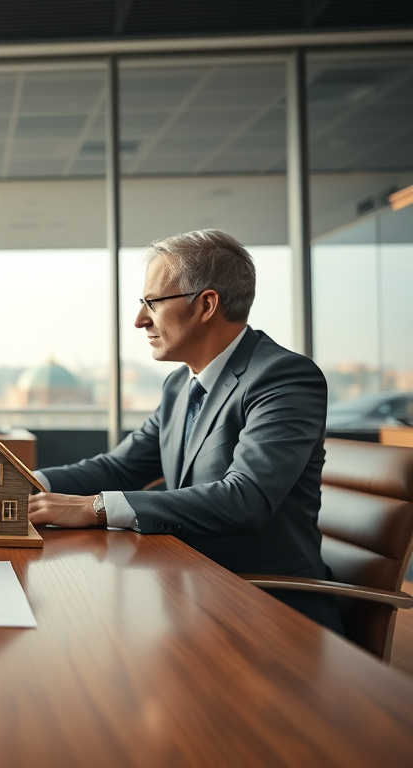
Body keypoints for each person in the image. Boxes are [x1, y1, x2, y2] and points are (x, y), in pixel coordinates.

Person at [27, 229, 343, 632]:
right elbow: (121, 468)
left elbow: (245, 498)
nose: (140, 320)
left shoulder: (283, 378)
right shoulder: (181, 385)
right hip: (193, 590)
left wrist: (94, 508)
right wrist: (24, 485)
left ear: (206, 304)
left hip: (267, 608)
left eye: (152, 303)